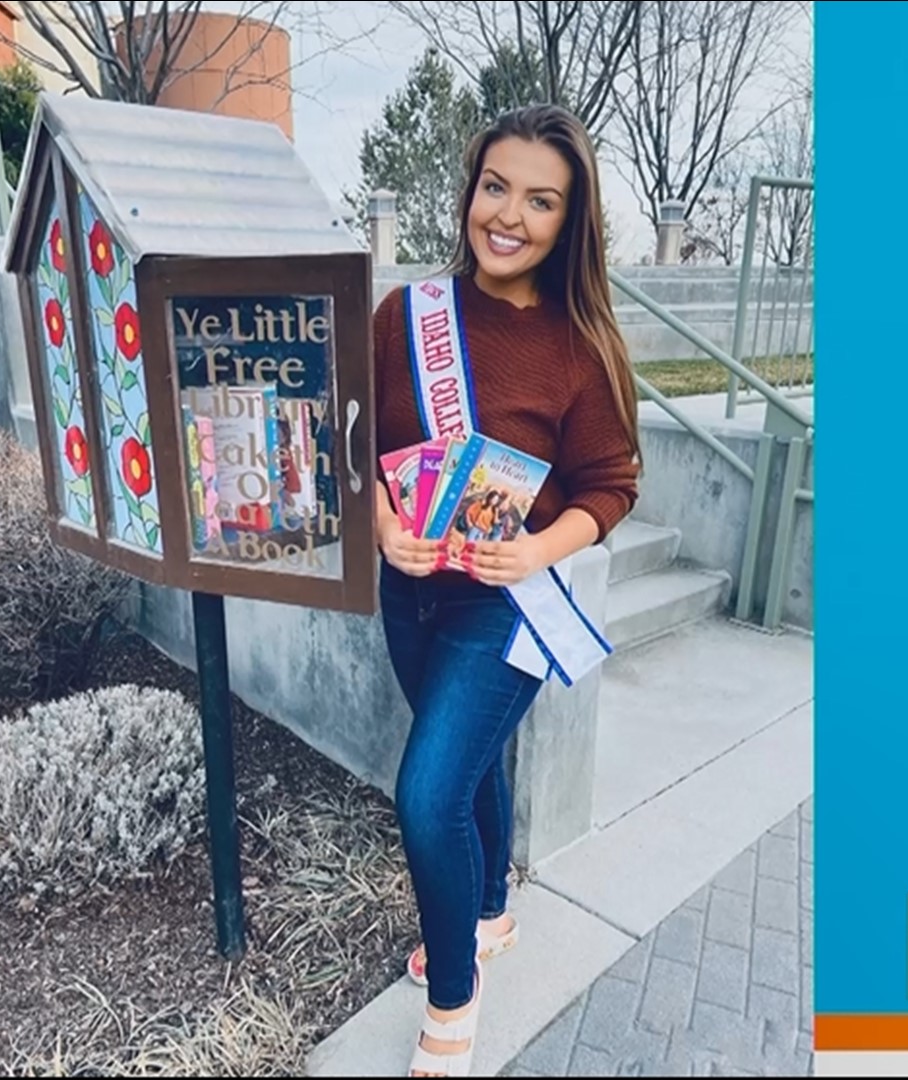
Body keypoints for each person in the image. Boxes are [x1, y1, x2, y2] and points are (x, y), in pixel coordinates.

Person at [371, 103, 642, 1078]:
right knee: (472, 768)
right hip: (412, 594)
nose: (510, 216)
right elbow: (356, 440)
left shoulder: (579, 347)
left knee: (427, 792)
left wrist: (537, 554)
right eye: (496, 187)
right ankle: (488, 915)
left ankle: (453, 1005)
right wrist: (384, 527)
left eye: (541, 200)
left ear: (569, 222)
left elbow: (613, 486)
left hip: (504, 608)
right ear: (469, 192)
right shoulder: (404, 315)